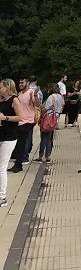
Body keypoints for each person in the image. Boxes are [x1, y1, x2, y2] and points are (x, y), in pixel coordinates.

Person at [0, 79, 23, 207]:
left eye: (0, 88)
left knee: (2, 167)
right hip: (1, 134)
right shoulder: (2, 101)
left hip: (9, 136)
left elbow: (20, 117)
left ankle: (2, 196)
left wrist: (6, 118)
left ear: (7, 87)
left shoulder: (14, 100)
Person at [9, 78, 37, 172]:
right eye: (19, 82)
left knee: (21, 143)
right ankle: (18, 163)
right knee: (18, 143)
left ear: (27, 83)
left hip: (28, 121)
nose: (20, 84)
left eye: (22, 82)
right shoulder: (20, 94)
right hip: (20, 121)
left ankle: (19, 163)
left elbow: (37, 105)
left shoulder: (31, 93)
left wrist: (36, 95)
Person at [38, 84, 64, 162]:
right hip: (55, 118)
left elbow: (46, 108)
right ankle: (48, 155)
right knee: (50, 138)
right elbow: (62, 105)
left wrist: (40, 117)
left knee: (43, 137)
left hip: (48, 117)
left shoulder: (51, 97)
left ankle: (41, 155)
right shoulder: (60, 97)